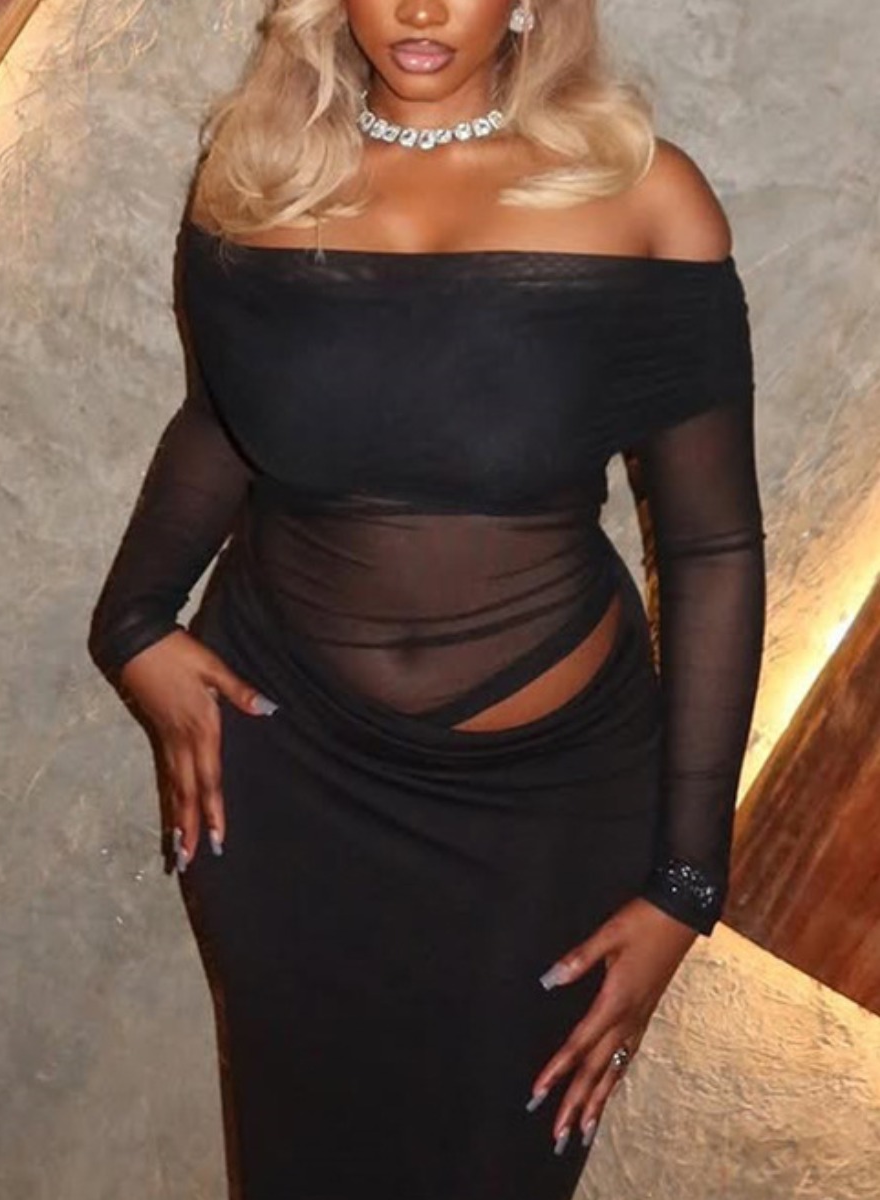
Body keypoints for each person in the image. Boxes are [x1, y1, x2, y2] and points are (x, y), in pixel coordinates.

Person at [87, 1, 767, 1197]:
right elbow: (225, 417)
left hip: (543, 817)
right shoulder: (256, 177)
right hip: (288, 784)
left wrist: (688, 882)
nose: (419, 7)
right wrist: (134, 622)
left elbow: (711, 545)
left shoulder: (645, 198)